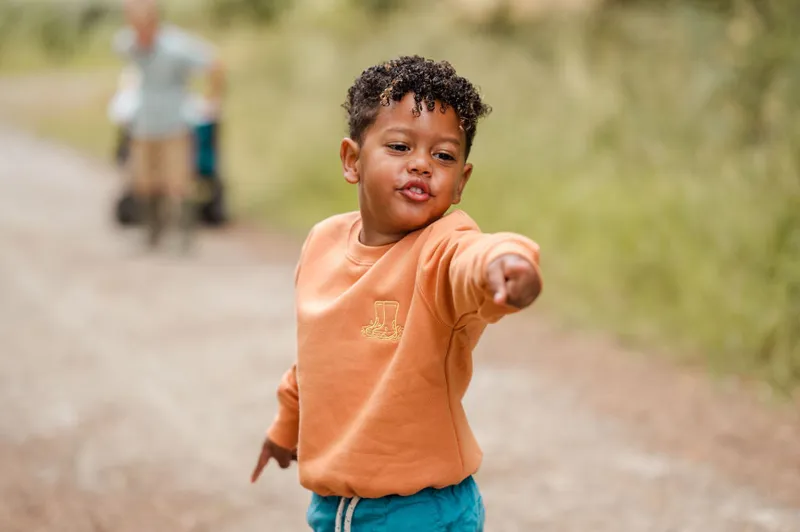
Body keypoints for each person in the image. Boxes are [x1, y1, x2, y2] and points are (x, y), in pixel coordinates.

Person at [250, 56, 543, 531]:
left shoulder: (442, 248)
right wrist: (286, 426)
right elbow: (318, 357)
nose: (422, 165)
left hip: (405, 509)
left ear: (460, 182)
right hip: (361, 507)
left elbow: (476, 257)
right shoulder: (322, 243)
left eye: (443, 156)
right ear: (352, 160)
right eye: (401, 146)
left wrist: (509, 264)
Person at [112, 0, 224, 250]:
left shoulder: (177, 47)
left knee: (178, 182)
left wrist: (211, 101)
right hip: (144, 123)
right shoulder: (128, 43)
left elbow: (214, 64)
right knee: (143, 180)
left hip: (174, 123)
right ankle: (152, 235)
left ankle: (185, 237)